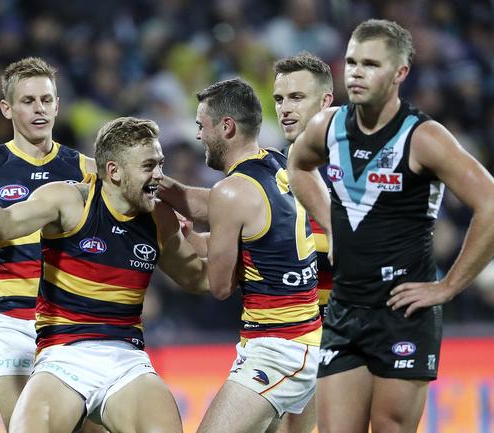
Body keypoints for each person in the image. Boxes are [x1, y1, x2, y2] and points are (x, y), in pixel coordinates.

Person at [287, 19, 494, 433]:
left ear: (400, 73)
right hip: (345, 306)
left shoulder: (423, 138)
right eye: (351, 62)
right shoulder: (326, 127)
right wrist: (330, 220)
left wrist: (448, 286)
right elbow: (298, 165)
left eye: (371, 64)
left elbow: (489, 203)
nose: (356, 72)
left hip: (404, 311)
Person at [0, 116, 209, 433]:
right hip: (63, 358)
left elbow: (198, 279)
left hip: (126, 359)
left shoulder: (159, 218)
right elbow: (2, 225)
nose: (160, 177)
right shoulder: (69, 201)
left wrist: (259, 246)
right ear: (114, 171)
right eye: (149, 166)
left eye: (160, 164)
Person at [167, 78, 322, 433]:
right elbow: (238, 232)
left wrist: (168, 245)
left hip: (281, 347)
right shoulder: (279, 164)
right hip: (301, 338)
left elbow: (219, 285)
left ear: (226, 127)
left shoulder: (231, 191)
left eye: (201, 126)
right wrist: (166, 192)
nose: (198, 136)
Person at [0, 56, 102, 432]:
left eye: (46, 100)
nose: (39, 109)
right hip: (15, 325)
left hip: (72, 325)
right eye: (28, 101)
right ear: (7, 108)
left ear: (57, 104)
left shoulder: (85, 169)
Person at [272, 52, 333, 433]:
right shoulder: (270, 170)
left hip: (342, 338)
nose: (285, 109)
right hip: (284, 337)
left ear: (325, 101)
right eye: (279, 99)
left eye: (297, 98)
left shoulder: (352, 166)